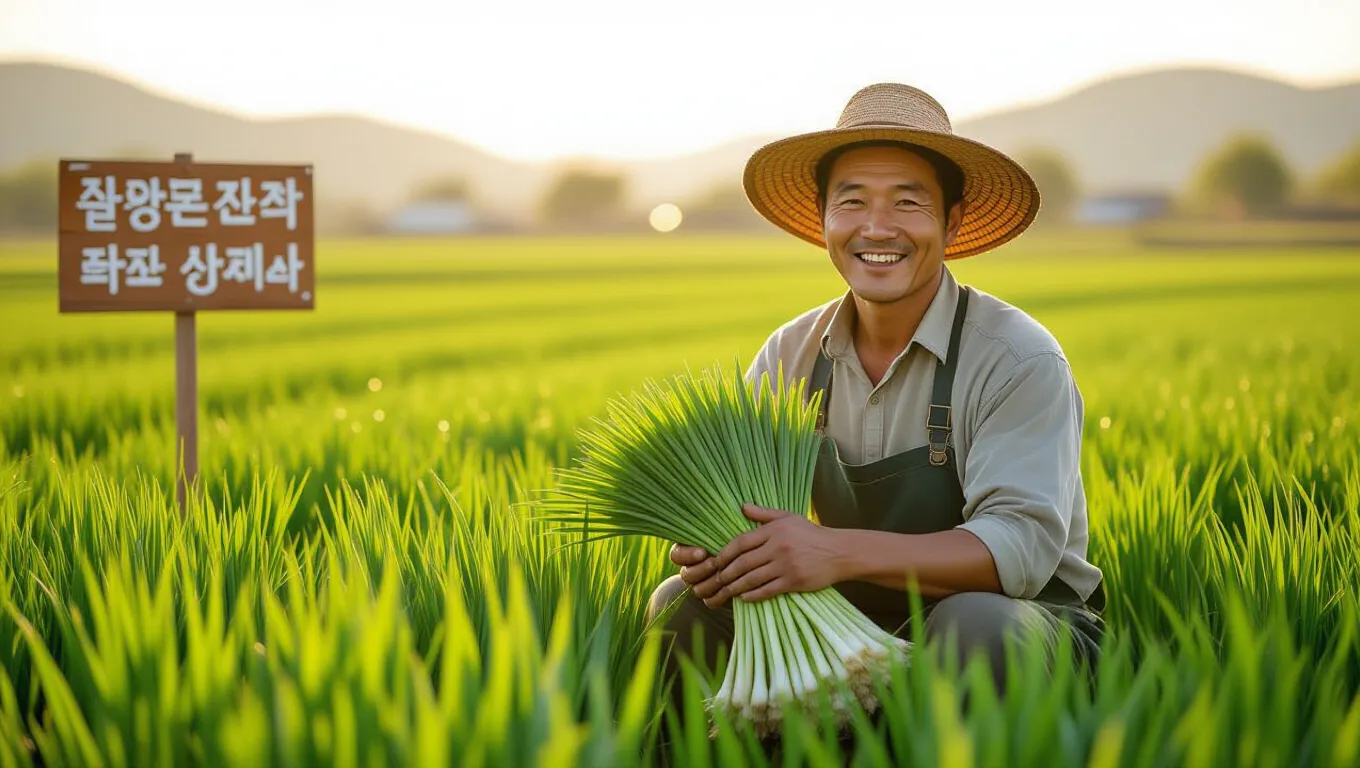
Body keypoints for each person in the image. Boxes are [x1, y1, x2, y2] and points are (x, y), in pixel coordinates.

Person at [645, 82, 1107, 711]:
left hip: (1015, 622)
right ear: (824, 220)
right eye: (852, 201)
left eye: (908, 202)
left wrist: (830, 550)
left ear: (954, 219)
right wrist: (717, 550)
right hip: (846, 619)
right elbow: (744, 510)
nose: (877, 227)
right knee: (679, 603)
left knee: (973, 626)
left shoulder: (1017, 358)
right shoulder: (789, 356)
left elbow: (1019, 550)